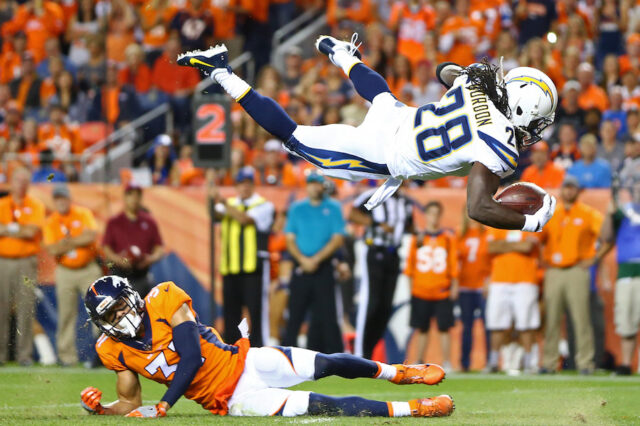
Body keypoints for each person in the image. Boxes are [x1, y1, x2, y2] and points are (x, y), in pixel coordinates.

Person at [177, 34, 557, 233]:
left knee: (381, 95)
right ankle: (222, 72)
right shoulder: (501, 143)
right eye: (539, 121)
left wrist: (475, 82)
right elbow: (478, 207)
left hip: (403, 119)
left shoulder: (478, 82)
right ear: (525, 109)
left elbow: (445, 72)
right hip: (385, 152)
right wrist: (528, 223)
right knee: (295, 139)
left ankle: (342, 53)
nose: (536, 130)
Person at [80, 276, 454, 418]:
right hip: (234, 399)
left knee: (328, 362)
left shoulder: (163, 297)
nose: (117, 319)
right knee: (325, 405)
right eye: (108, 316)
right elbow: (129, 402)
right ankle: (414, 410)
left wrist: (164, 404)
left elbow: (191, 358)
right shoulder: (112, 349)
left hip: (246, 360)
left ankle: (399, 372)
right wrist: (102, 410)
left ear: (132, 298)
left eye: (119, 308)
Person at [540, 175, 607, 374]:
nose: (569, 191)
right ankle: (549, 363)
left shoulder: (588, 213)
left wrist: (594, 259)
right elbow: (537, 239)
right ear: (562, 190)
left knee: (581, 319)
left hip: (577, 270)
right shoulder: (552, 214)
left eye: (572, 188)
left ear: (578, 191)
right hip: (554, 271)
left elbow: (606, 236)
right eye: (566, 187)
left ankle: (585, 363)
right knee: (551, 319)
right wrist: (541, 260)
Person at [209, 166, 274, 347]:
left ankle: (260, 347)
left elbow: (245, 219)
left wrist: (221, 201)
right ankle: (232, 349)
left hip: (253, 266)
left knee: (256, 311)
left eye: (247, 184)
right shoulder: (229, 204)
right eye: (240, 184)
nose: (244, 188)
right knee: (231, 313)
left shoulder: (263, 205)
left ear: (253, 185)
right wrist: (211, 195)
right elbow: (214, 214)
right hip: (230, 267)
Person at [283, 172, 346, 353]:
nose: (314, 187)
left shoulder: (333, 207)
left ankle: (335, 360)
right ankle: (287, 359)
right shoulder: (297, 208)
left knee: (328, 317)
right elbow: (289, 238)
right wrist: (303, 260)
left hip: (323, 267)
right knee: (294, 316)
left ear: (323, 186)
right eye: (310, 183)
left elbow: (337, 239)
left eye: (317, 184)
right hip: (301, 267)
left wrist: (315, 259)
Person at [349, 184, 414, 359]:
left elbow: (409, 225)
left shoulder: (405, 201)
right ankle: (359, 352)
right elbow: (353, 214)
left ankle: (368, 350)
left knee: (385, 307)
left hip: (393, 254)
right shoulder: (374, 195)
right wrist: (377, 223)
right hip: (374, 250)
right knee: (372, 302)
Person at [43, 184, 101, 366]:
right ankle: (66, 357)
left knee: (99, 311)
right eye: (57, 199)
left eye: (63, 198)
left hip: (88, 269)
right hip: (65, 271)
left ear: (69, 199)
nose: (61, 202)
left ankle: (103, 355)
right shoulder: (51, 221)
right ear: (54, 201)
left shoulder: (82, 213)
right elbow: (52, 248)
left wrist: (66, 243)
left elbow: (91, 235)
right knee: (66, 314)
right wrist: (77, 240)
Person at [404, 201, 458, 371]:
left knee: (444, 328)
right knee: (421, 329)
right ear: (426, 215)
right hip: (421, 290)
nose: (433, 217)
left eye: (436, 213)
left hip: (442, 289)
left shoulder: (448, 239)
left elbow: (453, 265)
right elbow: (410, 267)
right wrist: (411, 289)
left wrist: (454, 285)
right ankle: (419, 360)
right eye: (431, 213)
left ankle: (447, 362)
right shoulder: (417, 239)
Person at [0, 167, 45, 365]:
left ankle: (24, 355)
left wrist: (7, 229)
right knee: (0, 307)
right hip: (3, 260)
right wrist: (19, 228)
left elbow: (31, 231)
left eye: (25, 180)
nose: (22, 184)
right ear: (11, 182)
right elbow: (24, 230)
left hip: (27, 261)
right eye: (18, 180)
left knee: (26, 307)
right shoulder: (2, 204)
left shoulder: (35, 205)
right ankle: (1, 354)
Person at [484, 227, 542, 374]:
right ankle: (493, 362)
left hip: (525, 279)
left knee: (526, 324)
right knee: (496, 323)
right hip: (500, 279)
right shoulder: (496, 223)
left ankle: (529, 363)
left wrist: (503, 245)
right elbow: (491, 247)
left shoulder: (531, 221)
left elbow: (527, 246)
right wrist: (517, 245)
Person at [599, 179, 640, 375]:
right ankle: (625, 364)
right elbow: (606, 236)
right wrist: (609, 213)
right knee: (626, 321)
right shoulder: (624, 211)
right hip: (627, 273)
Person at [102, 185, 164, 298]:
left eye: (137, 195)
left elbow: (159, 248)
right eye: (131, 195)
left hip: (142, 275)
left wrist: (150, 258)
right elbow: (106, 248)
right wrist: (119, 260)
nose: (134, 198)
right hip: (119, 276)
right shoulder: (114, 222)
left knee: (146, 311)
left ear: (141, 198)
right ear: (125, 197)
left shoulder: (149, 222)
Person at [457, 210, 490, 372]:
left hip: (482, 286)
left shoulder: (486, 233)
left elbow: (491, 260)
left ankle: (490, 361)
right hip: (465, 286)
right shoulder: (459, 234)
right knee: (466, 327)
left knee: (488, 325)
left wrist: (488, 280)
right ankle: (464, 363)